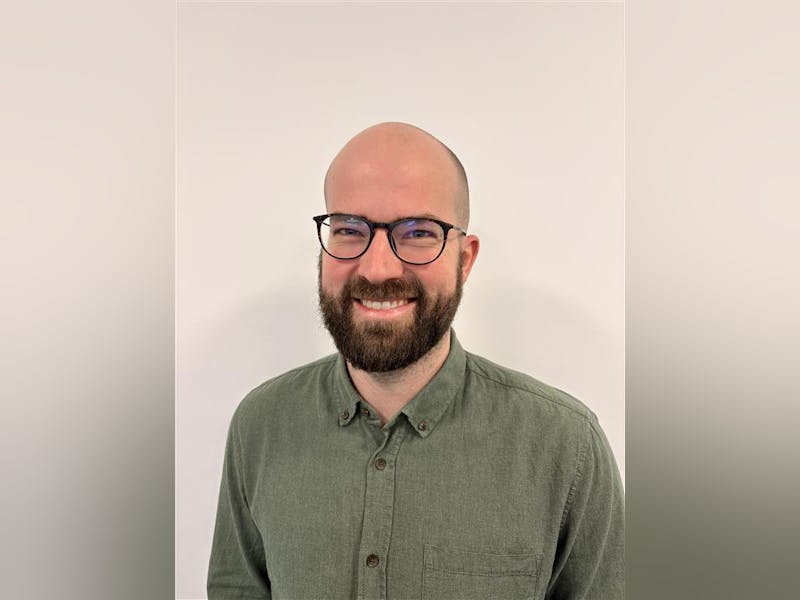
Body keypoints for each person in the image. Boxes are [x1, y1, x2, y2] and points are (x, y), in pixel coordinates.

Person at [207, 122, 624, 599]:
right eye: (348, 229)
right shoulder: (259, 428)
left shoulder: (565, 449)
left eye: (418, 233)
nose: (378, 267)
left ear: (464, 260)